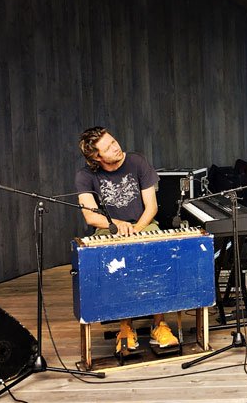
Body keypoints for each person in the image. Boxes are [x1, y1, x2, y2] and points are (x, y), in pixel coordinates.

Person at [75, 126, 180, 353]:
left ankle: (159, 324)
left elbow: (151, 207)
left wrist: (136, 230)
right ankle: (125, 327)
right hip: (110, 229)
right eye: (108, 147)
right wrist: (117, 225)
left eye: (114, 141)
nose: (116, 147)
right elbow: (91, 216)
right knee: (117, 265)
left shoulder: (137, 162)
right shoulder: (85, 176)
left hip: (143, 223)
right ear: (97, 157)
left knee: (158, 255)